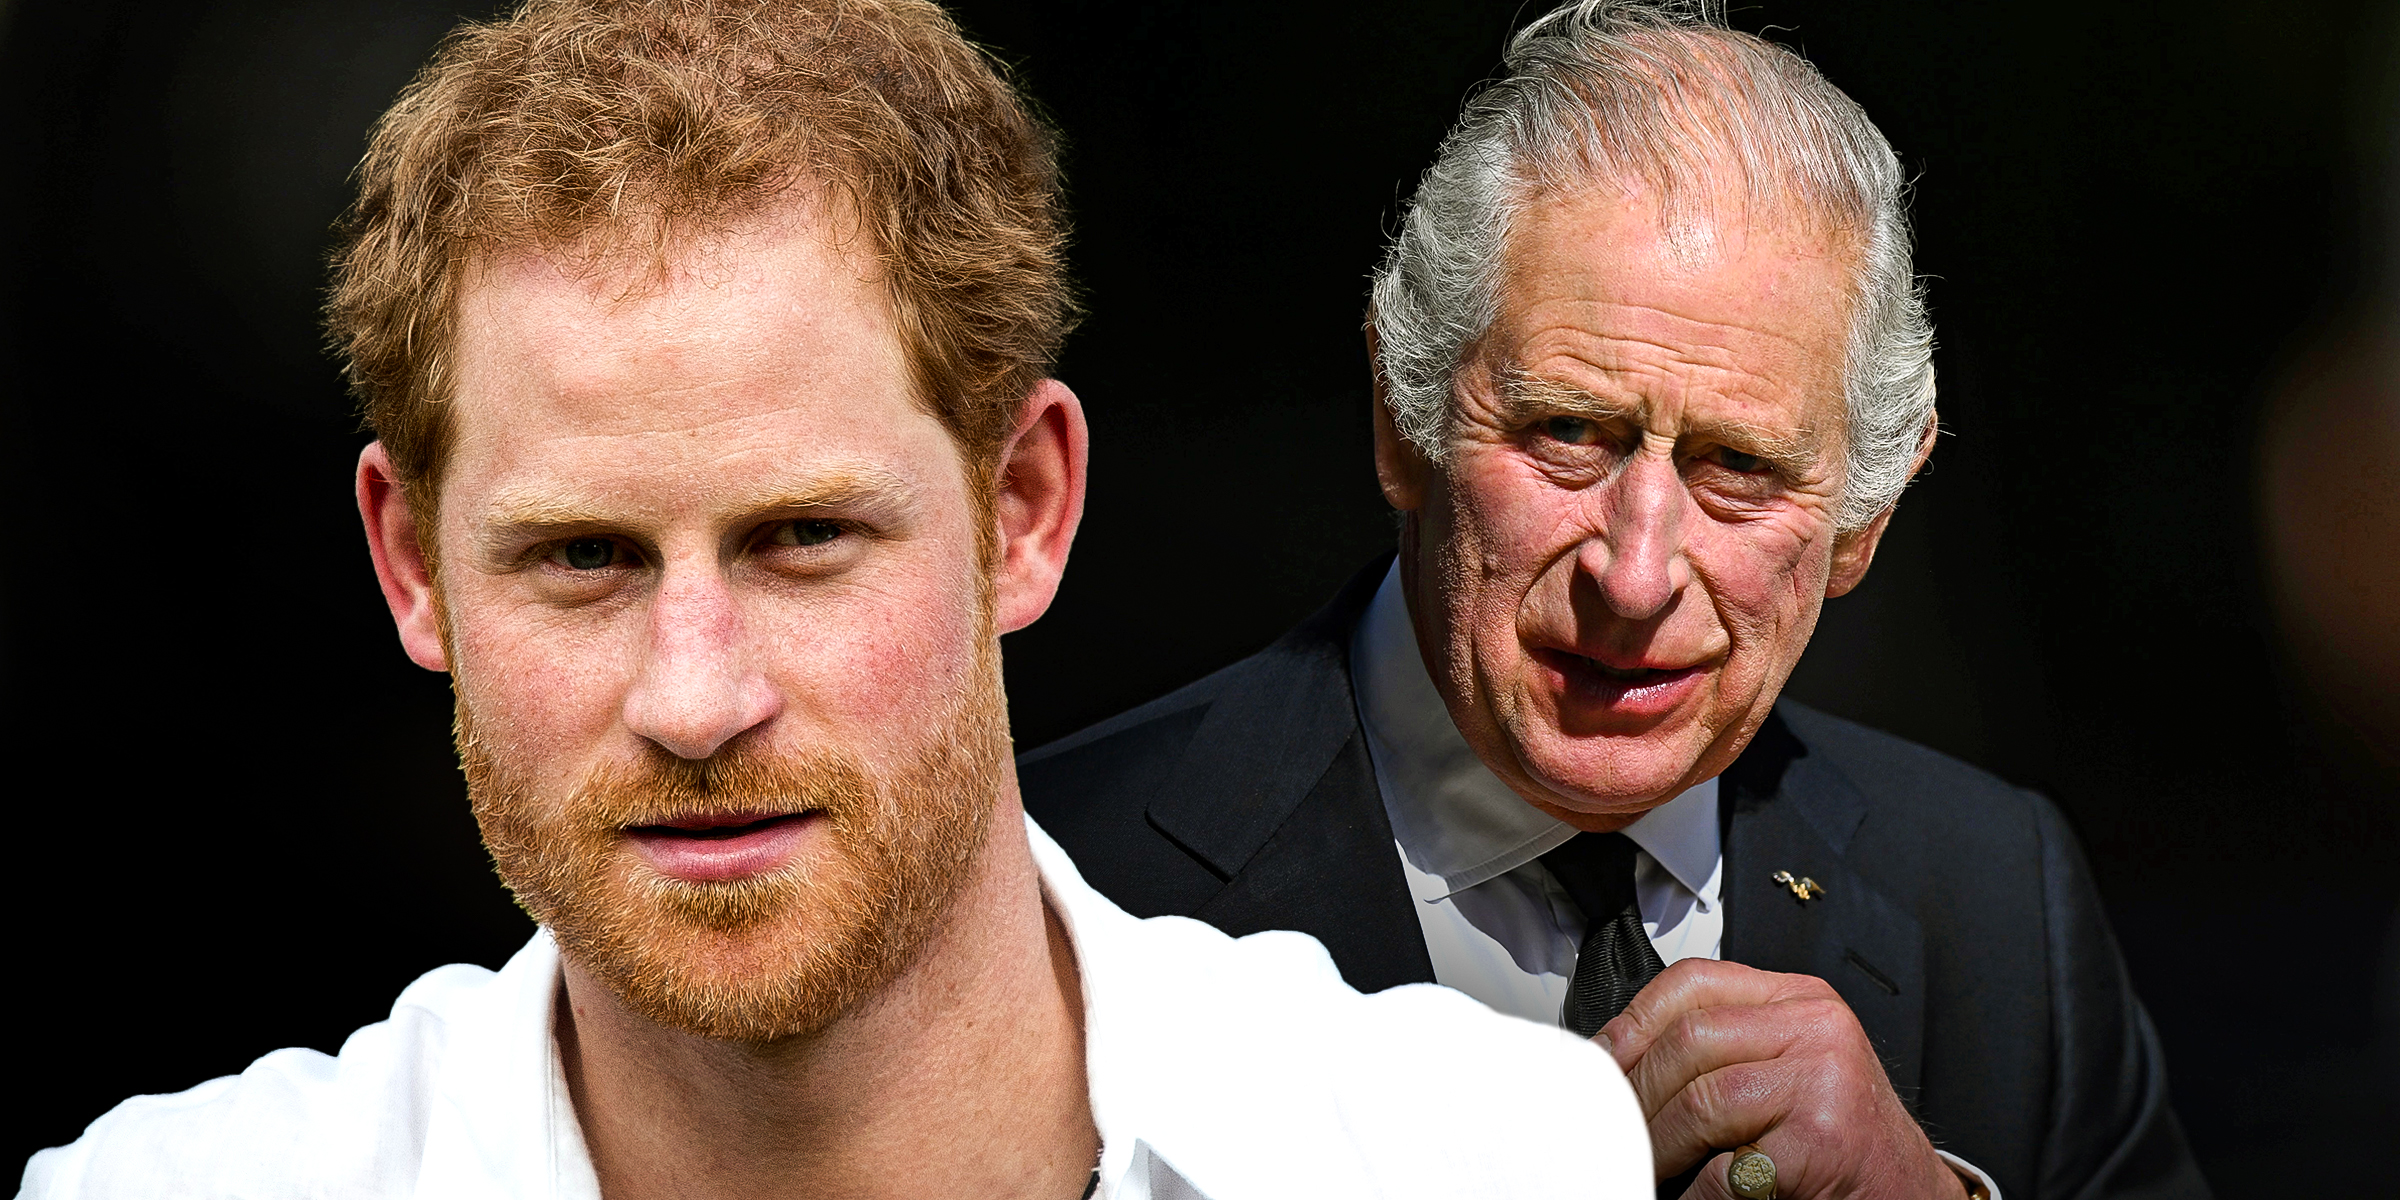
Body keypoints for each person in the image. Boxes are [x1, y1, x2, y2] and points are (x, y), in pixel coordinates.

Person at [18, 3, 1654, 1197]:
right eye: (581, 557)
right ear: (411, 565)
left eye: (801, 538)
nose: (696, 696)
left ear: (1024, 511)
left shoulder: (1493, 1159)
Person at [1022, 3, 2210, 1199]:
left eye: (1738, 467)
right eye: (1569, 434)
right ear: (1402, 425)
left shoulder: (2002, 905)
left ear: (1864, 523)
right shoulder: (1050, 883)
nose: (1635, 578)